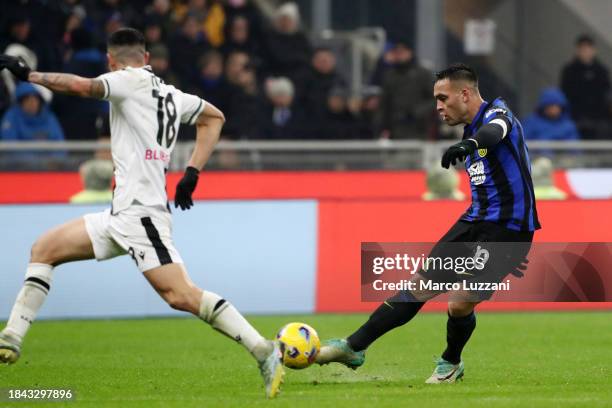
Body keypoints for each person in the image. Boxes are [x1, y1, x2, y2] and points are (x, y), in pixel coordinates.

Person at [0, 28, 284, 398]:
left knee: (181, 295)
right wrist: (192, 172)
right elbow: (214, 118)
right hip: (120, 215)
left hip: (142, 216)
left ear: (111, 61)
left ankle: (263, 350)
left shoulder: (125, 81)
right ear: (146, 58)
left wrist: (30, 76)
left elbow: (80, 87)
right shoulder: (171, 94)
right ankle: (11, 338)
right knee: (44, 249)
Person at [316, 63, 540, 383]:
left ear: (465, 93)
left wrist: (471, 144)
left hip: (508, 232)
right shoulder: (469, 129)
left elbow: (497, 132)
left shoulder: (498, 115)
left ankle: (450, 363)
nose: (438, 106)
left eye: (442, 98)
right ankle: (354, 346)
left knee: (459, 303)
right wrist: (469, 141)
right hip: (474, 222)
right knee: (418, 286)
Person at [560, 35, 611, 139]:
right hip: (574, 115)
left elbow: (606, 94)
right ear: (577, 50)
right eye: (582, 49)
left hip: (598, 117)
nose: (585, 52)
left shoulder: (602, 71)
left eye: (588, 48)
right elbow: (564, 94)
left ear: (594, 50)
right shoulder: (569, 71)